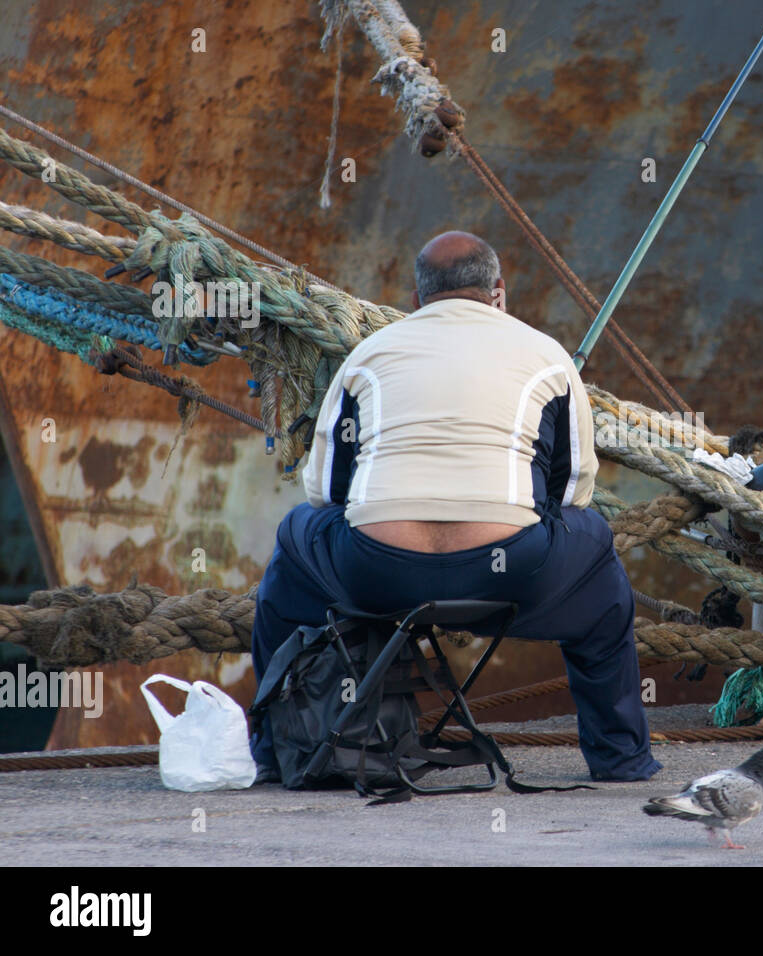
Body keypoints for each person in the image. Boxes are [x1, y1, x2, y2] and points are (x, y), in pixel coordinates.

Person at [249, 231, 662, 783]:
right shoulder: (547, 356)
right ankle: (621, 759)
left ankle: (274, 752)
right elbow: (572, 496)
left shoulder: (369, 354)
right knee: (597, 555)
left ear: (417, 300)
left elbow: (324, 491)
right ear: (499, 293)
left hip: (377, 575)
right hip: (509, 576)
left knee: (296, 535)